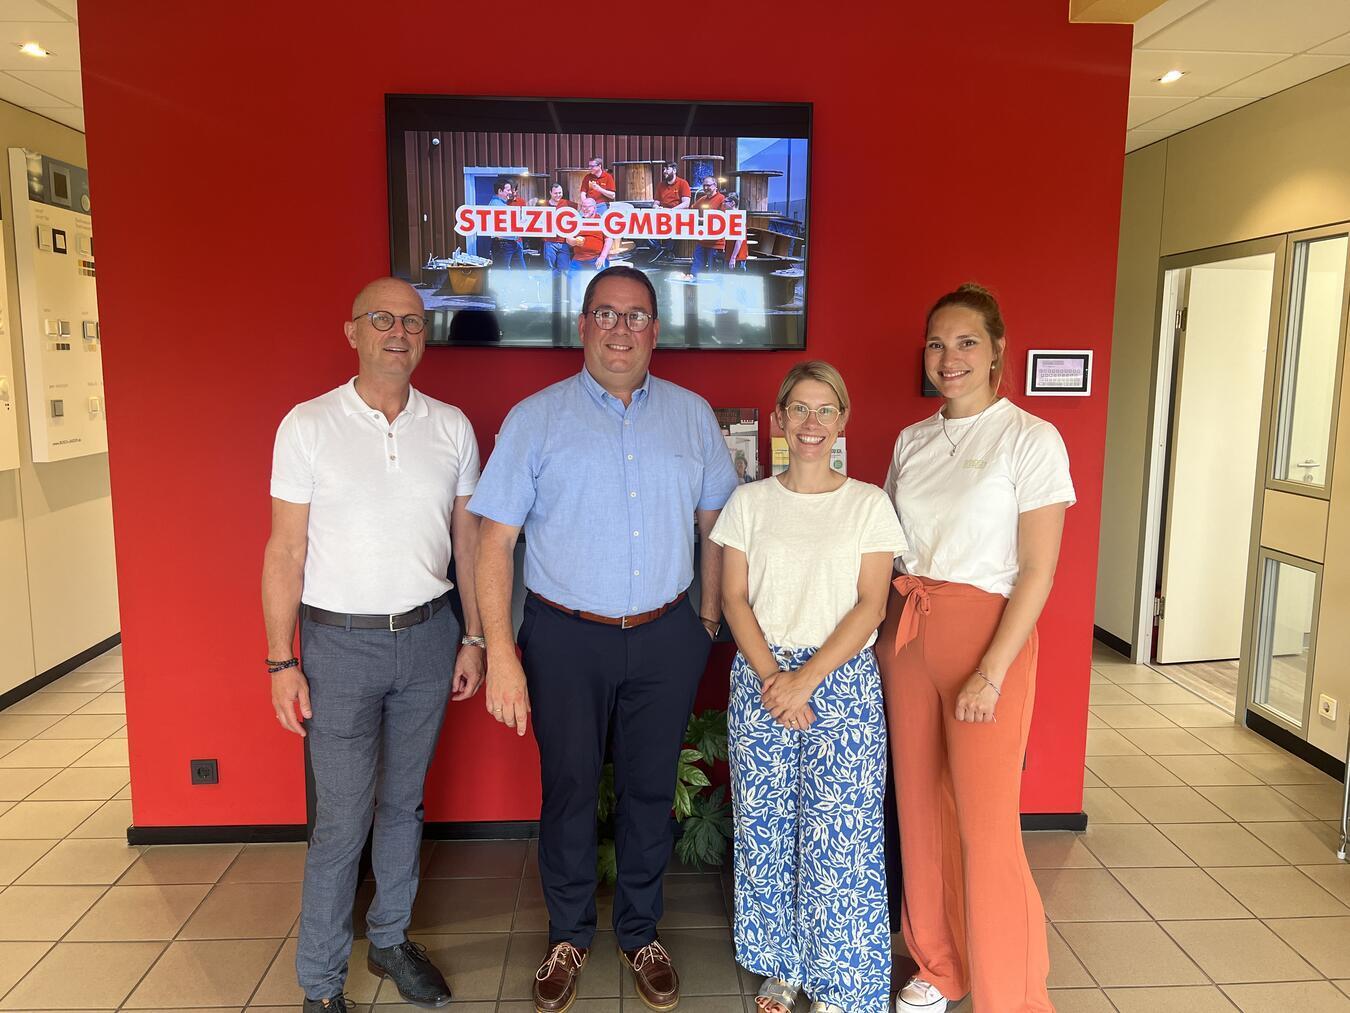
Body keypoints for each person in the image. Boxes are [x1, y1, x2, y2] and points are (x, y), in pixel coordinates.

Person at [470, 265, 738, 1013]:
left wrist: (707, 617)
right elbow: (494, 545)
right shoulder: (536, 417)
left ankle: (641, 930)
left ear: (656, 329)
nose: (622, 330)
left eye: (637, 316)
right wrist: (503, 653)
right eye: (608, 315)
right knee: (569, 790)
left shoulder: (691, 415)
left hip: (666, 634)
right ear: (583, 326)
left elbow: (717, 522)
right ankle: (567, 934)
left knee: (651, 791)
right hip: (564, 637)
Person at [263, 277, 486, 1013]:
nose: (399, 332)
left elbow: (467, 540)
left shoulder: (451, 426)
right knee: (340, 822)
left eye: (414, 322)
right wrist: (280, 659)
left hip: (430, 637)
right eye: (383, 319)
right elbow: (285, 549)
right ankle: (321, 987)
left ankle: (389, 938)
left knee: (403, 805)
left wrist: (475, 636)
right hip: (337, 647)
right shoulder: (307, 424)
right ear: (352, 330)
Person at [883, 283, 1075, 1013]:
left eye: (966, 341)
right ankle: (939, 964)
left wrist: (991, 670)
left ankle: (1014, 994)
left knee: (987, 824)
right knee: (920, 812)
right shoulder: (912, 440)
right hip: (908, 631)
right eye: (937, 343)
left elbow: (1038, 570)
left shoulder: (1030, 438)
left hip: (985, 637)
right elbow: (892, 551)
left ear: (998, 348)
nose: (949, 356)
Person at [714, 361, 904, 1013]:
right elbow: (734, 598)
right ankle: (782, 969)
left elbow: (872, 604)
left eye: (826, 410)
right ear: (778, 421)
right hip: (762, 679)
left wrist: (806, 680)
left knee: (840, 834)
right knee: (768, 831)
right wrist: (775, 678)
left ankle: (839, 978)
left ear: (843, 419)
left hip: (841, 683)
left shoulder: (869, 504)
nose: (812, 422)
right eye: (799, 409)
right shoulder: (749, 503)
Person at [650, 161, 691, 263]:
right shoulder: (661, 185)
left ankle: (668, 251)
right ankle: (660, 250)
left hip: (676, 215)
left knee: (674, 229)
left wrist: (671, 211)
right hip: (662, 215)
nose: (664, 171)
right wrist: (656, 207)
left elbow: (686, 203)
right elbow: (656, 202)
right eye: (663, 169)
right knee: (646, 230)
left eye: (667, 169)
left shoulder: (683, 183)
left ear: (674, 170)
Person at [489, 177, 526, 270]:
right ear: (500, 191)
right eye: (508, 190)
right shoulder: (496, 205)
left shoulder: (502, 204)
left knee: (519, 272)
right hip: (503, 243)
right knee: (502, 273)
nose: (510, 192)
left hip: (511, 242)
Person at [692, 176, 725, 277]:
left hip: (716, 243)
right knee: (696, 270)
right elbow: (691, 211)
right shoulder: (702, 199)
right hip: (702, 241)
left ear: (715, 186)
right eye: (704, 185)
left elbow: (724, 218)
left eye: (708, 185)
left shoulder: (722, 199)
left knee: (713, 272)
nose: (706, 188)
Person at [542, 182, 574, 275]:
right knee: (549, 268)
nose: (558, 195)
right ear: (550, 193)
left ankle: (562, 288)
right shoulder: (544, 205)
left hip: (564, 242)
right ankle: (549, 288)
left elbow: (580, 211)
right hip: (549, 242)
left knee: (564, 270)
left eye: (560, 192)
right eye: (556, 193)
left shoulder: (568, 203)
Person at [723, 192, 749, 271]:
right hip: (730, 255)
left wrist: (733, 258)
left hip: (737, 257)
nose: (723, 204)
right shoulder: (729, 217)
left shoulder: (738, 217)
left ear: (733, 203)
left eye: (725, 202)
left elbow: (739, 240)